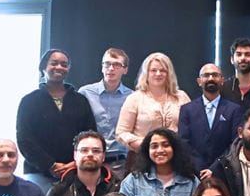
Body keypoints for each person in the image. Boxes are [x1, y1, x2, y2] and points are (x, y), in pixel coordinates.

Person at [16, 48, 97, 181]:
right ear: (43, 67)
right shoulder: (29, 101)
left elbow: (91, 135)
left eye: (64, 65)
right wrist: (50, 165)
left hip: (75, 171)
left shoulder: (80, 100)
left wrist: (75, 162)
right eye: (54, 63)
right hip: (38, 172)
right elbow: (25, 139)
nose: (59, 67)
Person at [116, 52, 191, 157]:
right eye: (153, 70)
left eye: (163, 70)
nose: (158, 74)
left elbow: (191, 129)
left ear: (169, 73)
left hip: (176, 158)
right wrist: (147, 146)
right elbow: (122, 133)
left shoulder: (181, 97)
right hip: (143, 157)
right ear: (146, 73)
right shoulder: (134, 98)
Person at [179, 63, 243, 174]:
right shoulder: (187, 110)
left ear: (222, 80)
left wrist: (214, 169)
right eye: (206, 75)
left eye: (215, 75)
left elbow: (235, 143)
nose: (211, 78)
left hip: (224, 172)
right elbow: (184, 142)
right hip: (194, 173)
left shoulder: (234, 110)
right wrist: (201, 168)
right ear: (199, 81)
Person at [78, 48, 134, 177]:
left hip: (120, 162)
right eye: (107, 64)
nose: (111, 68)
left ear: (125, 70)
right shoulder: (85, 93)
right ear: (102, 67)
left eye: (116, 65)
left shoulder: (132, 97)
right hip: (90, 159)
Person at [221, 37, 250, 110]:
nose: (243, 58)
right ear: (232, 60)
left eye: (248, 54)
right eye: (239, 54)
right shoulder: (222, 89)